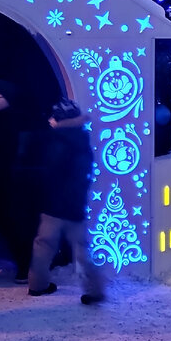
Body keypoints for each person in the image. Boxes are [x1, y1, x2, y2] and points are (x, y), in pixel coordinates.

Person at [28, 100, 105, 303]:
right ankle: (95, 290)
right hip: (74, 204)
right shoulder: (81, 139)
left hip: (52, 203)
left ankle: (37, 285)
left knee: (43, 245)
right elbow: (82, 174)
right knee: (82, 248)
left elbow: (49, 172)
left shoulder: (53, 140)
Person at [0, 79, 37, 283]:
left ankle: (24, 266)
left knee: (11, 226)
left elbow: (9, 153)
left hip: (8, 183)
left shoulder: (14, 124)